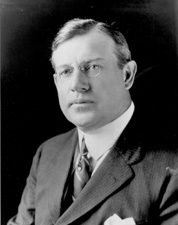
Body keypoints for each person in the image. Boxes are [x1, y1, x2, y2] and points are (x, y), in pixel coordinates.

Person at [7, 18, 178, 225]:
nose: (77, 85)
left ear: (127, 75)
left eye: (93, 67)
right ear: (56, 82)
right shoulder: (48, 153)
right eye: (66, 71)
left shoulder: (171, 165)